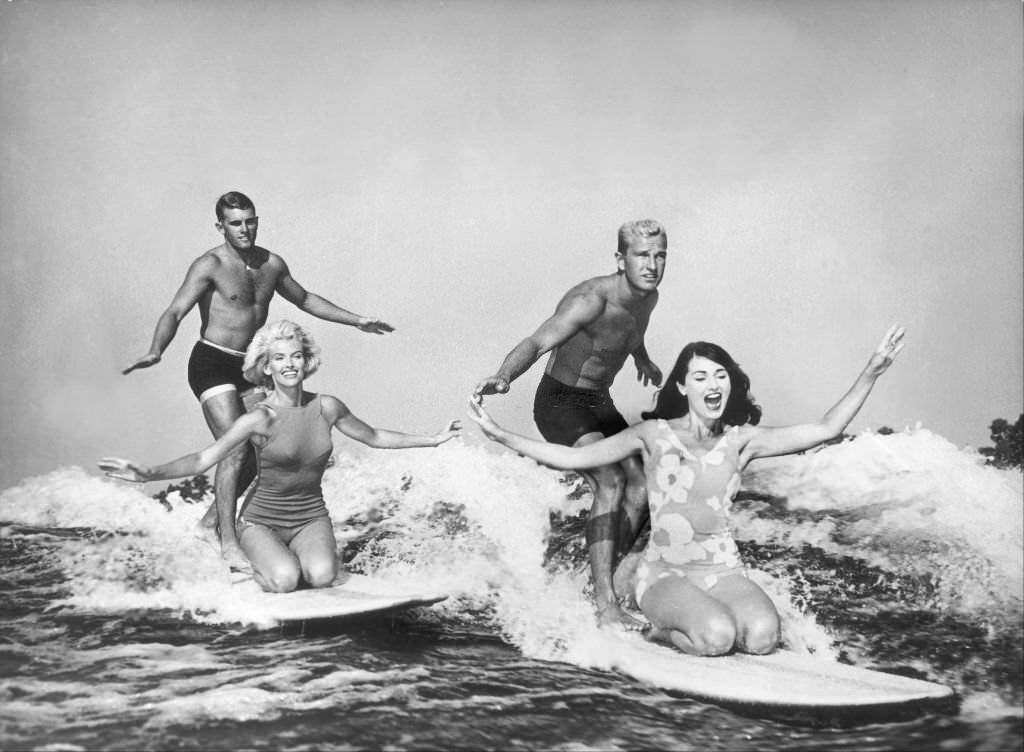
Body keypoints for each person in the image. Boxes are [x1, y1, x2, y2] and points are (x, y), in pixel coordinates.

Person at [469, 325, 906, 654]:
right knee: (716, 638)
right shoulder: (654, 435)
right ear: (682, 386)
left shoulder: (742, 439)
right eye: (700, 377)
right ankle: (656, 626)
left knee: (761, 638)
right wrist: (502, 435)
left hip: (723, 571)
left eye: (720, 375)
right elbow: (571, 458)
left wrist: (872, 372)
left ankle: (700, 617)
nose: (712, 385)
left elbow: (826, 428)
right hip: (666, 572)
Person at [122, 191, 394, 569]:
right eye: (236, 223)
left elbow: (306, 298)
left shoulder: (271, 264)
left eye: (250, 220)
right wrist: (157, 349)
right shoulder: (209, 264)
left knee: (262, 446)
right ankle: (229, 543)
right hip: (212, 363)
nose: (245, 228)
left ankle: (209, 524)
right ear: (221, 226)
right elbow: (176, 310)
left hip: (251, 365)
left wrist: (357, 320)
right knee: (233, 448)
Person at [102, 321, 460, 593]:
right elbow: (202, 459)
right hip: (262, 522)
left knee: (321, 576)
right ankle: (252, 566)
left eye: (296, 356)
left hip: (310, 519)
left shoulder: (328, 407)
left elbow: (376, 436)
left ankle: (302, 560)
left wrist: (434, 439)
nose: (289, 365)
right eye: (279, 359)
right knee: (286, 580)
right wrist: (148, 474)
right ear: (267, 367)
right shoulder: (259, 417)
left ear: (306, 362)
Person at [472, 220, 667, 631]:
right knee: (610, 481)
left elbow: (629, 330)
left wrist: (642, 358)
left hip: (599, 401)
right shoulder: (588, 299)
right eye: (641, 256)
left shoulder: (648, 296)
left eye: (659, 255)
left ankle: (597, 579)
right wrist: (504, 376)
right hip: (561, 402)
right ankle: (604, 604)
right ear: (620, 259)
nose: (652, 265)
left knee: (643, 483)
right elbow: (538, 341)